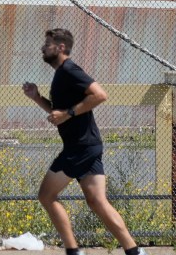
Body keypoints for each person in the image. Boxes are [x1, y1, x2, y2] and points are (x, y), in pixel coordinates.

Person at [20, 26, 141, 255]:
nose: (42, 48)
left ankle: (73, 251)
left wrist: (68, 114)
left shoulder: (70, 70)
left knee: (46, 195)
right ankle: (134, 252)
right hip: (86, 145)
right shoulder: (61, 74)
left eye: (47, 45)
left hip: (80, 147)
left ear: (61, 47)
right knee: (97, 202)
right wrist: (36, 97)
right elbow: (58, 113)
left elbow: (100, 95)